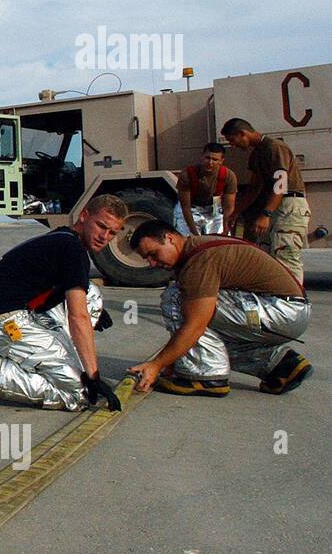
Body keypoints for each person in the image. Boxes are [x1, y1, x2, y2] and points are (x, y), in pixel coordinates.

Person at [0, 194, 128, 411]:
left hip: (13, 308)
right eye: (101, 226)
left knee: (91, 293)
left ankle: (58, 362)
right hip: (2, 321)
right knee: (81, 393)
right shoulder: (73, 250)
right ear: (84, 215)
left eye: (112, 233)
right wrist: (93, 376)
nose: (104, 236)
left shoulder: (64, 239)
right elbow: (78, 316)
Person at [127, 220, 311, 396]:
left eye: (153, 254)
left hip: (282, 312)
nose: (152, 263)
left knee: (175, 298)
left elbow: (195, 325)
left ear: (170, 238)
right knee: (210, 343)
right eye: (146, 259)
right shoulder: (199, 247)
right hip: (288, 311)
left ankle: (205, 377)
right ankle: (280, 364)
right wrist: (174, 359)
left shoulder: (199, 262)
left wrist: (156, 365)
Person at [222, 118, 310, 283]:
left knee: (286, 255)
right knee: (269, 255)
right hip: (274, 206)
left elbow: (280, 185)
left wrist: (266, 214)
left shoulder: (274, 147)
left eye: (232, 140)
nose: (232, 145)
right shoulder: (256, 154)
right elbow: (255, 187)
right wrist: (236, 212)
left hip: (288, 205)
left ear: (243, 133)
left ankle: (294, 301)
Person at [175, 142, 236, 236]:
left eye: (215, 160)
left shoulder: (228, 176)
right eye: (207, 158)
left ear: (221, 161)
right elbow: (185, 206)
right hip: (191, 207)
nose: (210, 163)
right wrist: (194, 233)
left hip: (214, 206)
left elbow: (229, 207)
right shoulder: (187, 175)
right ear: (202, 156)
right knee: (187, 241)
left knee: (218, 241)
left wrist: (226, 230)